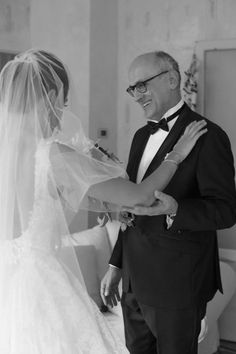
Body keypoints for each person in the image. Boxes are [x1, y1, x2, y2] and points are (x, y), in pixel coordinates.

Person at [0, 48, 206, 354]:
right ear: (54, 95)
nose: (64, 109)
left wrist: (114, 206)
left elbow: (78, 198)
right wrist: (175, 155)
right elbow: (139, 194)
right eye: (64, 101)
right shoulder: (51, 155)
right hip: (40, 287)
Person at [101, 51, 236, 354]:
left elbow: (226, 210)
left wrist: (176, 209)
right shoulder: (138, 137)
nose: (136, 96)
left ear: (172, 79)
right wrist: (116, 264)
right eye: (132, 89)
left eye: (142, 86)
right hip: (133, 284)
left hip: (177, 286)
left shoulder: (208, 136)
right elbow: (133, 209)